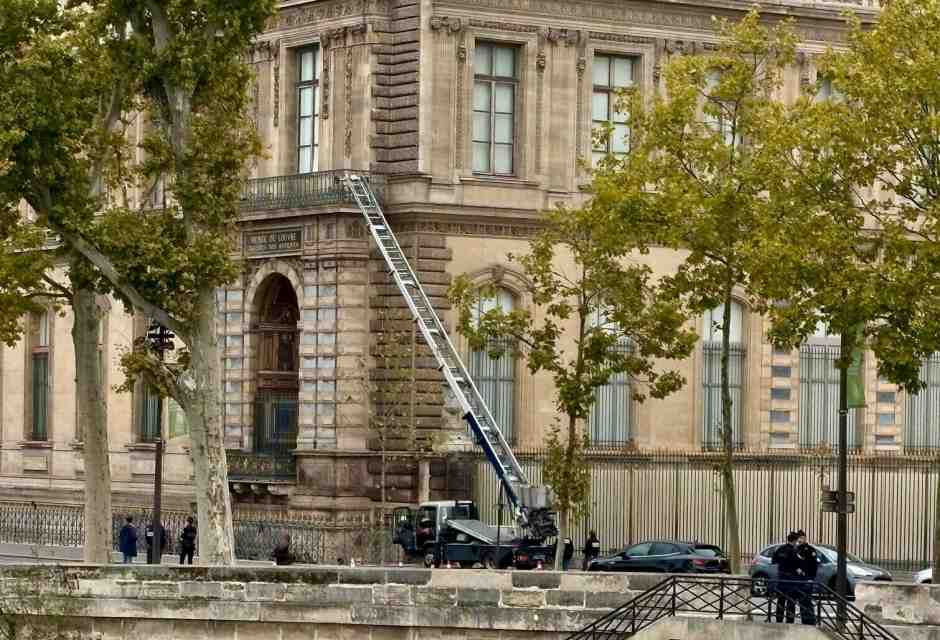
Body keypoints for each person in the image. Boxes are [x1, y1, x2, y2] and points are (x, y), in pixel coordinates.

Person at [771, 531, 802, 623]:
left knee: (781, 600)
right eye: (796, 541)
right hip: (791, 580)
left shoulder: (780, 549)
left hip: (781, 578)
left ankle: (779, 619)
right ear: (794, 540)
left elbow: (773, 560)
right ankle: (789, 620)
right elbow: (797, 565)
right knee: (791, 601)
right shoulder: (794, 551)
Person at [796, 530, 820, 625]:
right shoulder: (797, 549)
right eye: (799, 538)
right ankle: (804, 620)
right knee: (802, 601)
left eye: (801, 537)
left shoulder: (810, 550)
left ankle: (811, 620)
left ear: (805, 538)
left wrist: (811, 578)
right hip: (799, 579)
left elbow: (814, 565)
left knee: (807, 600)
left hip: (808, 578)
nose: (800, 540)